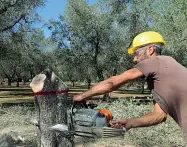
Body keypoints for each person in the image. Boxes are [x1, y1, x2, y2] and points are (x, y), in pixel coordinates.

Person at [73, 31, 187, 143]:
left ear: (150, 50)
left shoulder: (156, 61)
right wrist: (130, 122)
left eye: (136, 53)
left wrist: (83, 95)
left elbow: (114, 82)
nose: (134, 59)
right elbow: (159, 115)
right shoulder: (163, 74)